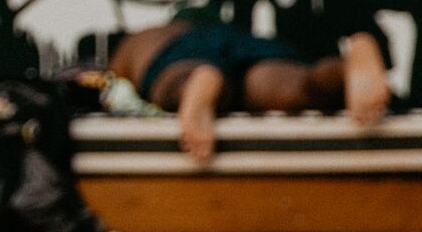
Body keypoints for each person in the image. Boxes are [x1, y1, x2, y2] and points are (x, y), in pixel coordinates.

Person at [107, 20, 390, 166]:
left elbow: (114, 92)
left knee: (172, 85)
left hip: (182, 56)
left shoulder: (137, 43)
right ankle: (347, 64)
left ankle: (200, 81)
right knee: (304, 87)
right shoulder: (223, 29)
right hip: (253, 49)